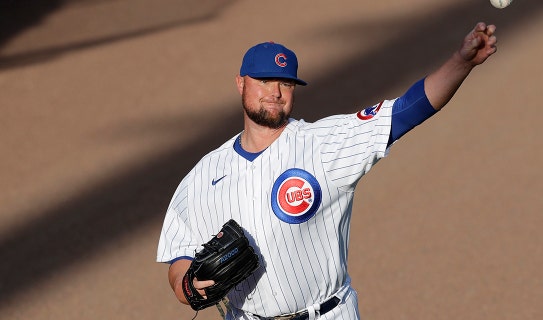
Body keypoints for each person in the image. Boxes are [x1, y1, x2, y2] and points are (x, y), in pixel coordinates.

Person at [157, 22, 498, 320]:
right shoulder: (203, 176)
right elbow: (180, 257)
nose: (275, 92)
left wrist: (461, 62)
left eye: (286, 83)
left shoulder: (324, 144)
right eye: (264, 80)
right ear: (240, 83)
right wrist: (187, 285)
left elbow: (405, 112)